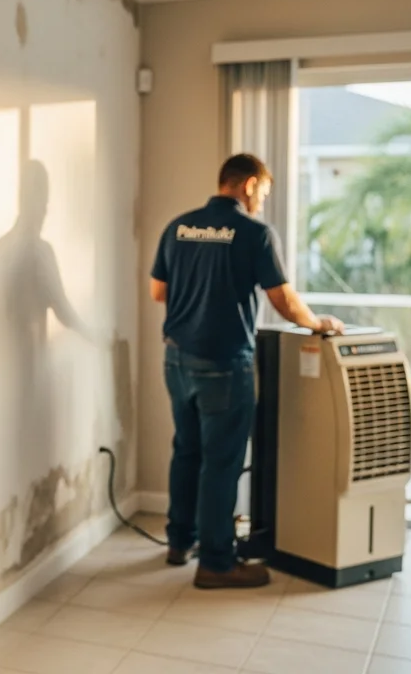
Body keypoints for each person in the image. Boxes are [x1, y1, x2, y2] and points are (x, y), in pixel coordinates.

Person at [150, 153, 342, 589]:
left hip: (177, 358)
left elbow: (157, 291)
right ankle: (217, 563)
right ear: (250, 185)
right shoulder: (253, 233)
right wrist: (320, 323)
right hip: (222, 363)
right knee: (221, 462)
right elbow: (283, 301)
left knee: (187, 450)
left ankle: (180, 542)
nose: (262, 203)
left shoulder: (177, 226)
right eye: (264, 193)